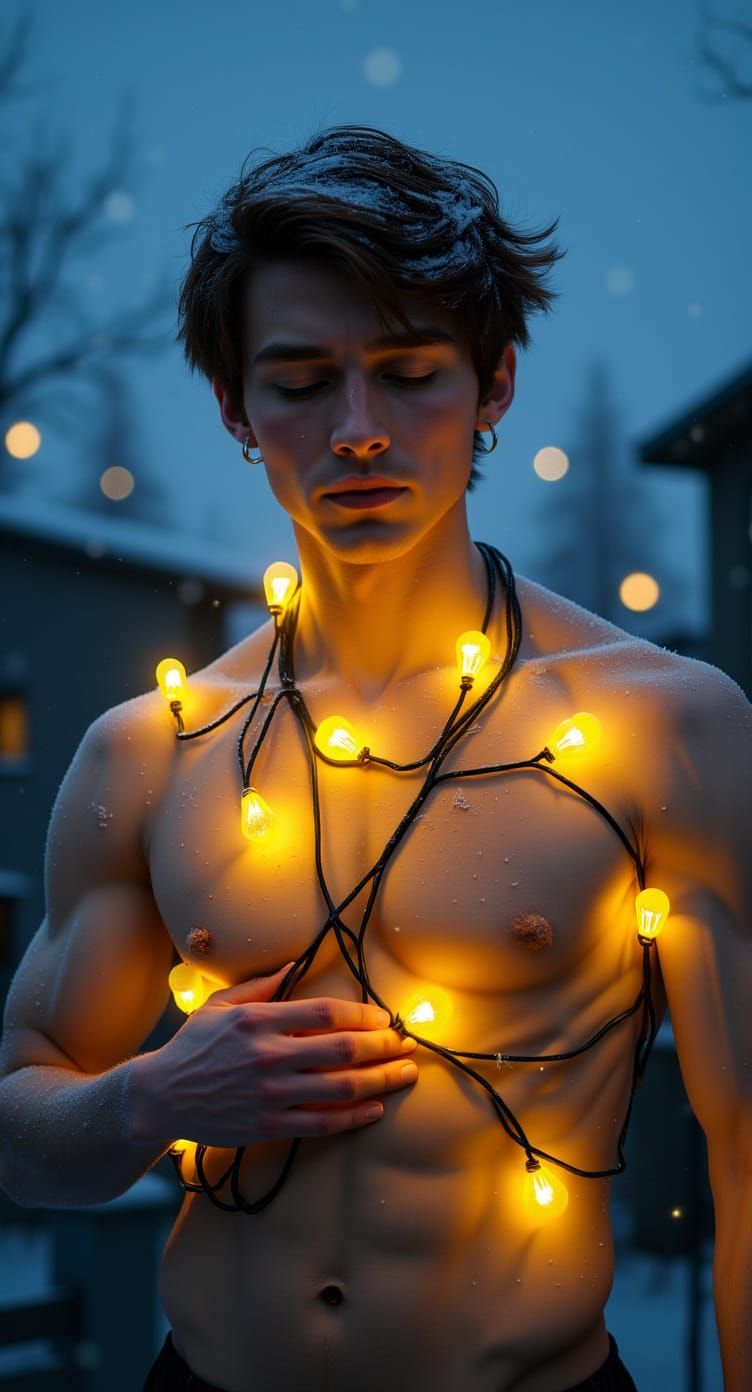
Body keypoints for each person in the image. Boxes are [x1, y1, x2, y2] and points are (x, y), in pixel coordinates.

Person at [0, 125, 749, 1392]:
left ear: (492, 384)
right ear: (235, 406)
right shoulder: (153, 751)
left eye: (407, 373)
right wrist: (145, 1100)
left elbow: (744, 1158)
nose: (357, 429)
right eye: (299, 382)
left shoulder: (662, 726)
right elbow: (21, 1137)